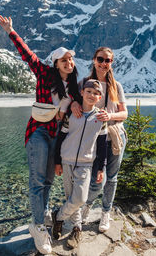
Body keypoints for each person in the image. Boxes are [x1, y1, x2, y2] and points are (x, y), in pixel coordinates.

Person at [0, 15, 81, 255]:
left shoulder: (74, 88)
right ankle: (37, 226)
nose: (69, 63)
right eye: (64, 60)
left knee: (48, 180)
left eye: (71, 60)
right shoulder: (44, 75)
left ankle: (42, 214)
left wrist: (75, 104)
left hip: (57, 136)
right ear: (56, 63)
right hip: (38, 131)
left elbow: (84, 101)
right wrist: (11, 31)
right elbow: (28, 55)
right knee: (36, 181)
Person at [71, 47, 128, 232]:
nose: (104, 64)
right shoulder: (83, 83)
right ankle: (86, 205)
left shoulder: (115, 86)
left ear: (111, 63)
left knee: (111, 178)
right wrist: (73, 103)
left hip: (114, 136)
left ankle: (105, 213)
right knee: (95, 178)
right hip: (92, 139)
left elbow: (124, 113)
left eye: (108, 61)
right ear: (94, 60)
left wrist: (109, 116)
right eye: (101, 59)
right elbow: (72, 101)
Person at [52, 79, 107, 249]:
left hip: (86, 164)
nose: (91, 95)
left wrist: (101, 168)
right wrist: (57, 162)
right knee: (71, 198)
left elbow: (102, 145)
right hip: (67, 161)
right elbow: (61, 138)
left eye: (96, 93)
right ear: (82, 93)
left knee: (80, 198)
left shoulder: (100, 118)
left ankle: (58, 216)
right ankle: (77, 228)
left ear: (99, 97)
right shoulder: (71, 114)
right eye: (88, 91)